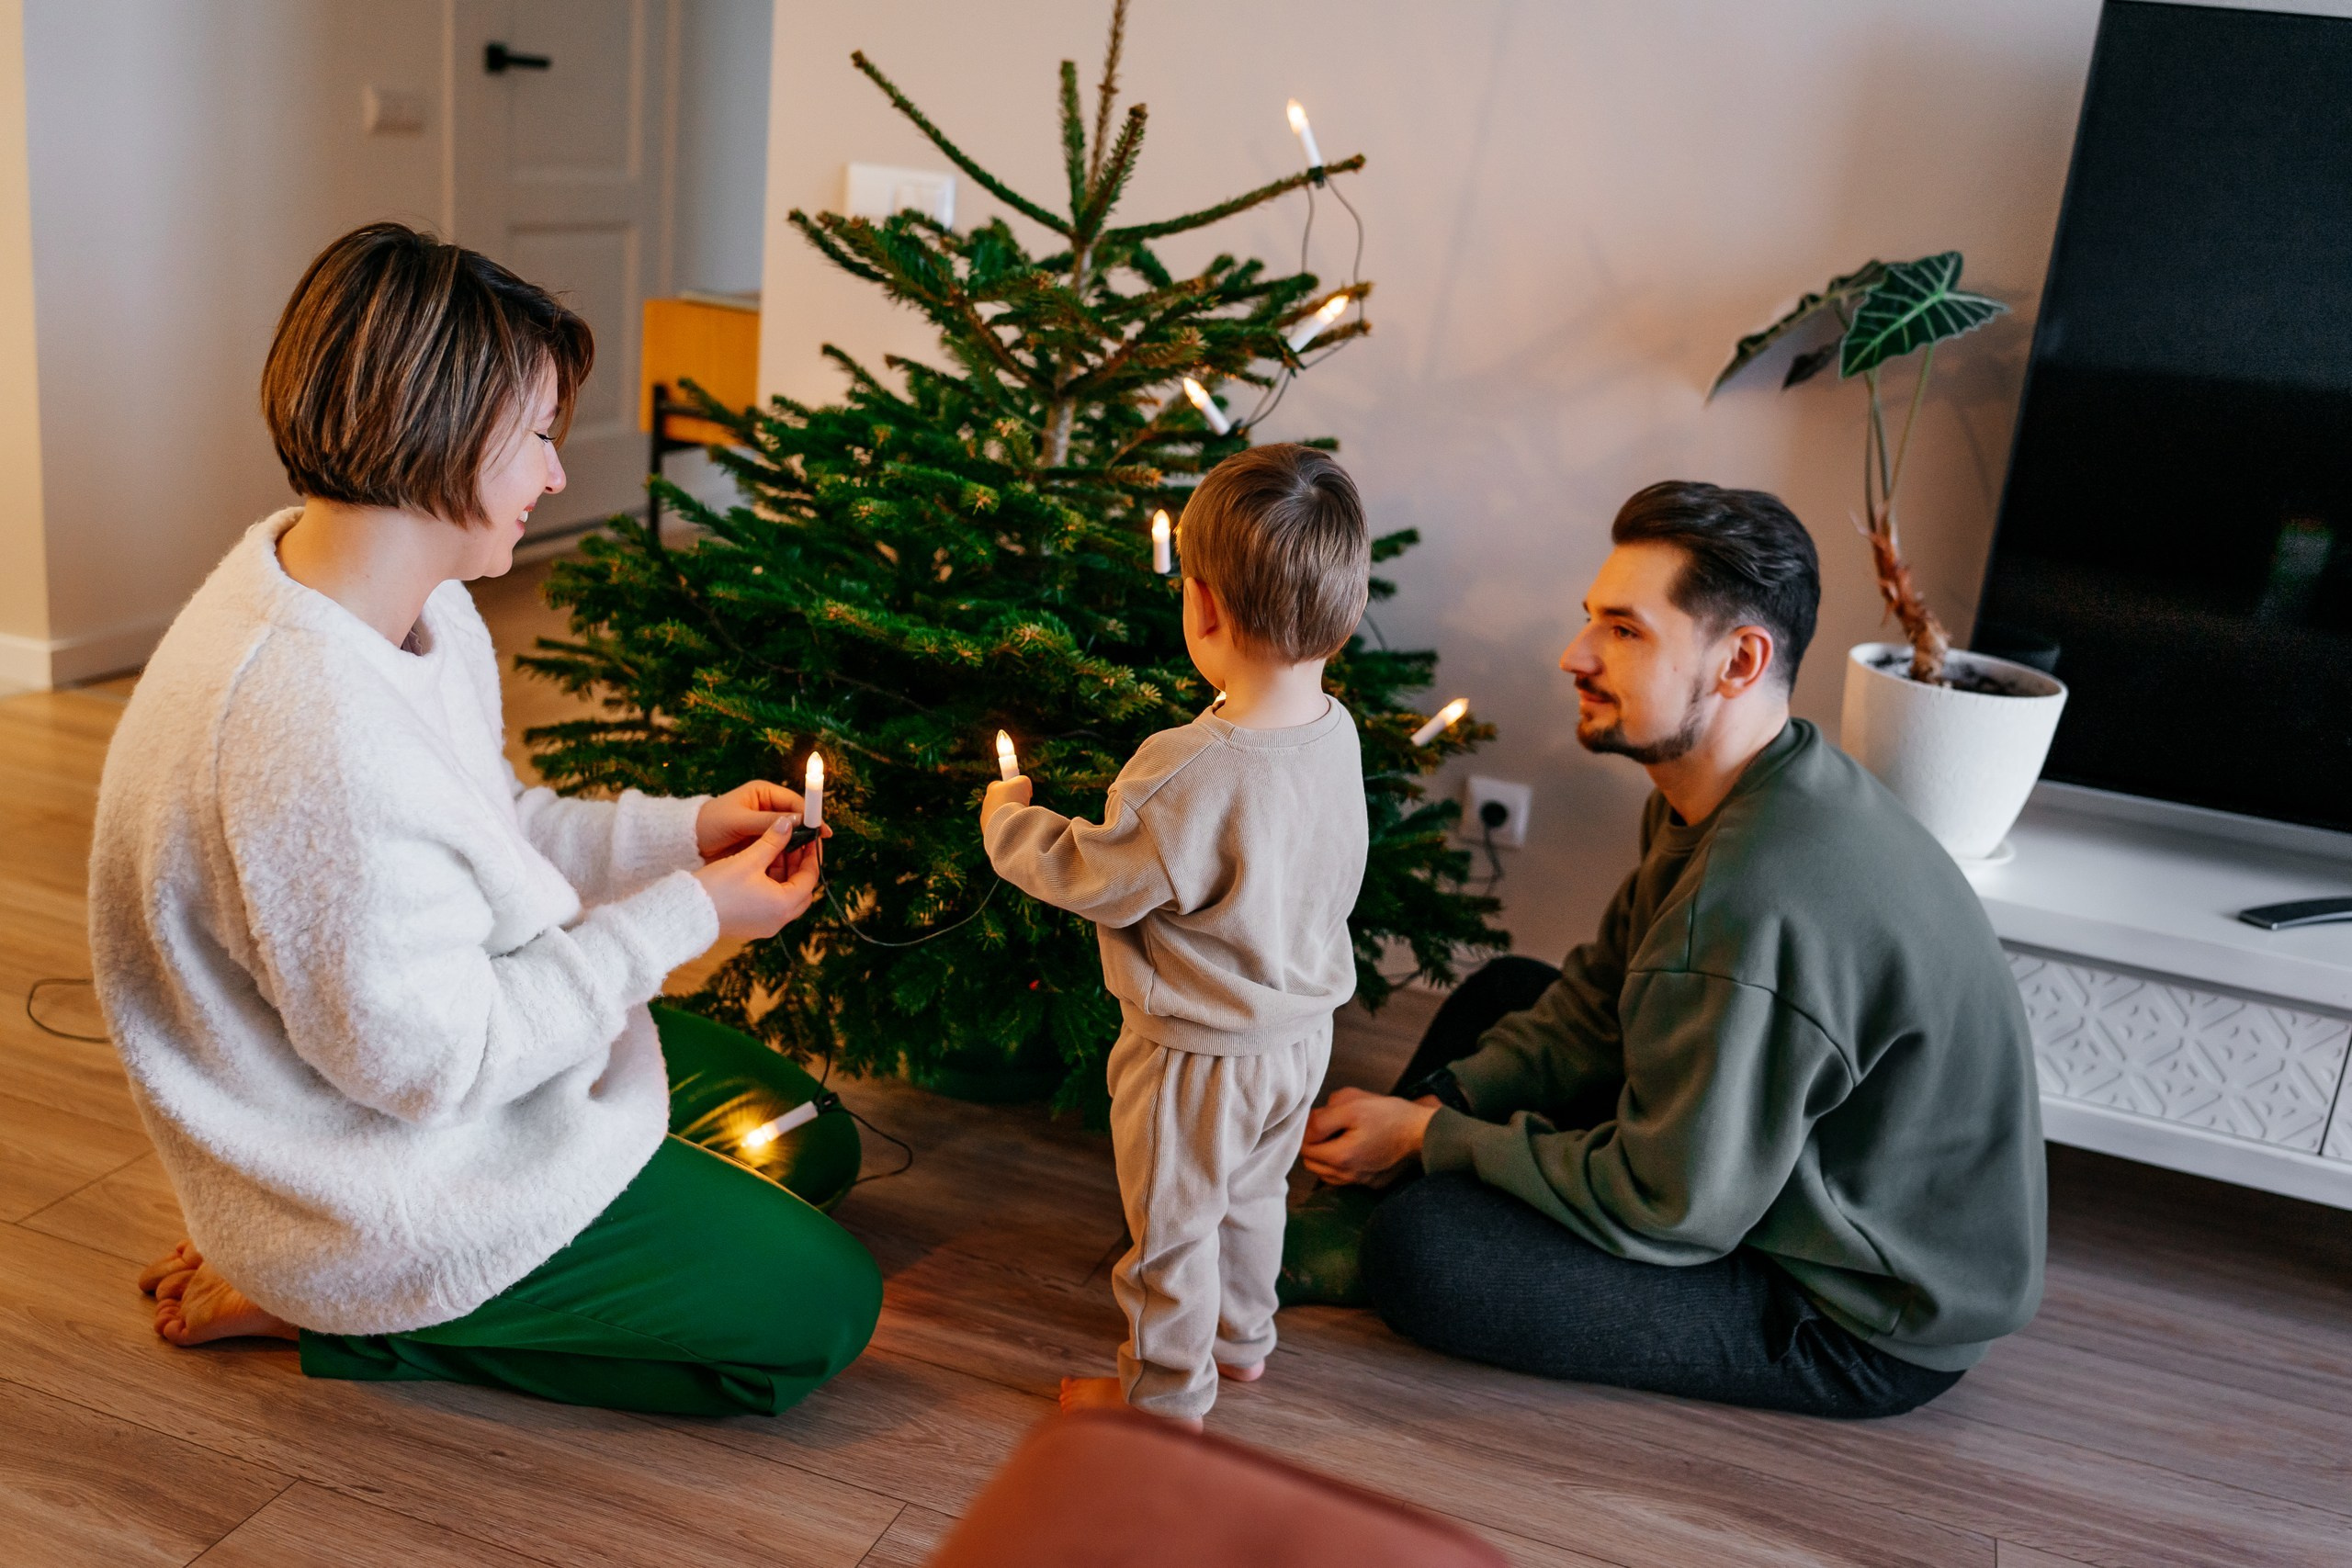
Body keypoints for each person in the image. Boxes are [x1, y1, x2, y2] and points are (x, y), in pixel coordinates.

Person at [90, 222, 882, 1417]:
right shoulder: (305, 734)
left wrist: (687, 834)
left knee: (807, 1137)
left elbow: (487, 824)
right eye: (540, 439)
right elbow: (432, 1066)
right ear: (443, 435)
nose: (558, 474)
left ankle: (408, 1271)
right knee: (822, 1309)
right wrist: (688, 914)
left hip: (455, 1044)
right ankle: (331, 1307)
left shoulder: (394, 597)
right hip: (375, 1177)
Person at [1295, 480, 2045, 1419]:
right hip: (1757, 1165)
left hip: (1853, 1310)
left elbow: (1669, 1204)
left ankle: (1372, 1215)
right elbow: (1593, 1000)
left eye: (1625, 630)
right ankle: (1369, 1189)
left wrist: (1432, 1139)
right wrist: (1432, 1106)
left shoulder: (1755, 901)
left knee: (1427, 1255)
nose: (1576, 655)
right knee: (1512, 992)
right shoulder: (1744, 788)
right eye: (1590, 623)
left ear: (1738, 661)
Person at [980, 445, 1373, 1426]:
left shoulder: (1186, 768)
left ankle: (1162, 1409)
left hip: (1196, 1057)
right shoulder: (1336, 731)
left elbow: (1095, 874)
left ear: (1201, 608)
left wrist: (1008, 822)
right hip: (1299, 1036)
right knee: (1253, 1198)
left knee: (1172, 1229)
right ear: (1345, 607)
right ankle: (1242, 1343)